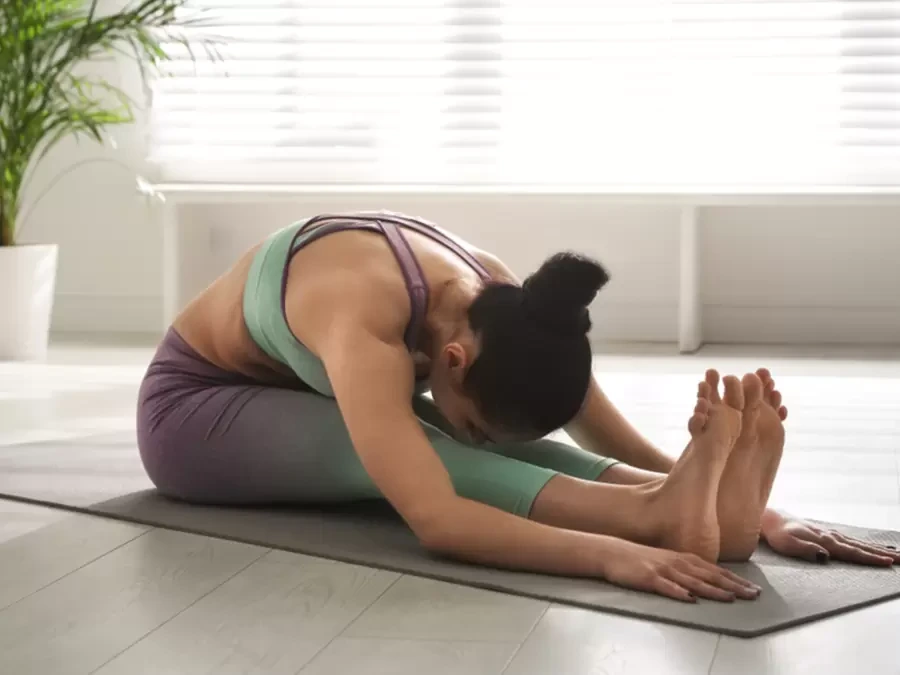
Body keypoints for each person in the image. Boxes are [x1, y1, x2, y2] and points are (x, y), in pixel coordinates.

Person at [137, 210, 899, 603]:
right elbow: (436, 517)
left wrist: (754, 513)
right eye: (468, 403)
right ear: (456, 361)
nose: (468, 414)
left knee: (483, 441)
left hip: (295, 394)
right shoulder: (362, 320)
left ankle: (681, 507)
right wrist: (614, 555)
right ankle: (651, 518)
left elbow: (592, 424)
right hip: (197, 411)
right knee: (437, 451)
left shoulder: (511, 305)